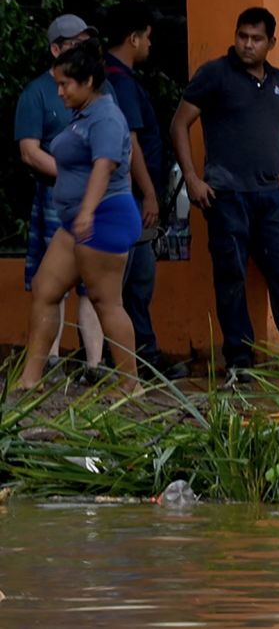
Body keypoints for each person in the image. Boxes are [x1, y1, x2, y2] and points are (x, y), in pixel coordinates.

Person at [170, 7, 279, 382]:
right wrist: (192, 178)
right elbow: (179, 124)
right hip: (225, 196)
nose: (247, 44)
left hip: (271, 196)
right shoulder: (215, 75)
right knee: (231, 276)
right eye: (242, 36)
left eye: (256, 39)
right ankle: (239, 361)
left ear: (272, 42)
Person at [16, 39, 142, 393]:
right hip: (77, 222)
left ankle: (130, 384)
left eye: (64, 84)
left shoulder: (106, 116)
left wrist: (86, 212)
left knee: (106, 302)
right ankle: (29, 379)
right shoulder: (81, 114)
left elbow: (105, 165)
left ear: (88, 81)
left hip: (103, 219)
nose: (58, 92)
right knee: (45, 288)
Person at [14, 14, 107, 380]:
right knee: (53, 279)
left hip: (98, 198)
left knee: (94, 280)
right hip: (56, 196)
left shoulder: (102, 90)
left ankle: (96, 365)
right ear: (55, 49)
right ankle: (50, 361)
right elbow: (29, 151)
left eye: (87, 41)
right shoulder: (37, 92)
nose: (84, 48)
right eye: (75, 42)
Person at [103, 0, 188, 381]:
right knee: (134, 280)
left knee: (136, 280)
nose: (151, 45)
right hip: (133, 197)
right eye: (148, 38)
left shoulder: (117, 78)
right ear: (133, 38)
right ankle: (136, 358)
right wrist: (149, 194)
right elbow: (132, 142)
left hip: (131, 194)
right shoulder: (119, 81)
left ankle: (141, 354)